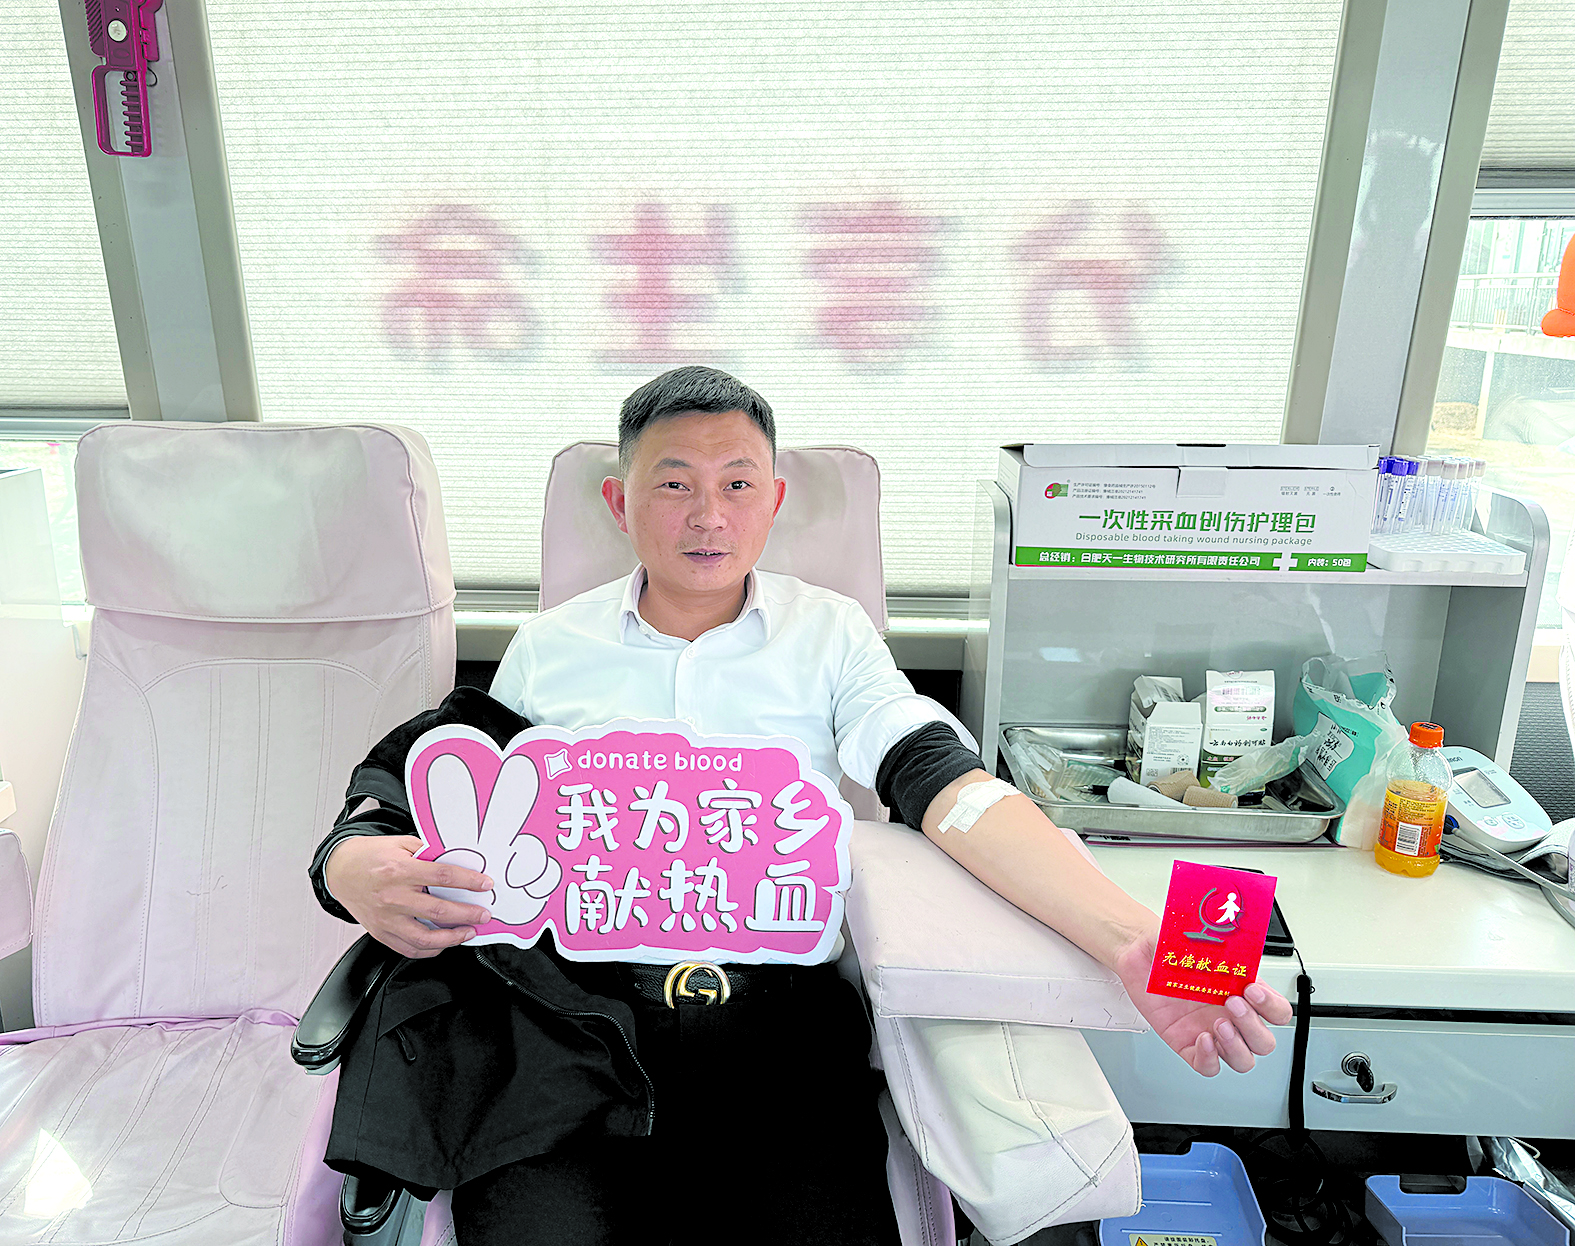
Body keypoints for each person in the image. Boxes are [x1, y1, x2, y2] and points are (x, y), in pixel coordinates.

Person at [319, 366, 1293, 1246]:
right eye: (673, 484)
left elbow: (944, 786)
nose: (708, 515)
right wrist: (349, 862)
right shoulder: (549, 649)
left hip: (776, 1034)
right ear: (620, 502)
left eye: (738, 484)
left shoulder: (830, 636)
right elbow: (440, 783)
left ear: (774, 500)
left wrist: (1133, 938)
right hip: (570, 1028)